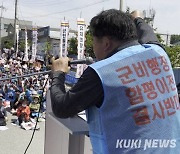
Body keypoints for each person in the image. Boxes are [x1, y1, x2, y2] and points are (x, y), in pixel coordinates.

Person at [50, 9, 180, 153]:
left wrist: (58, 73)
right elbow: (147, 34)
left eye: (94, 42)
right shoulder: (158, 53)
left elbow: (61, 108)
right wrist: (137, 19)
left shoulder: (101, 72)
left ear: (106, 43)